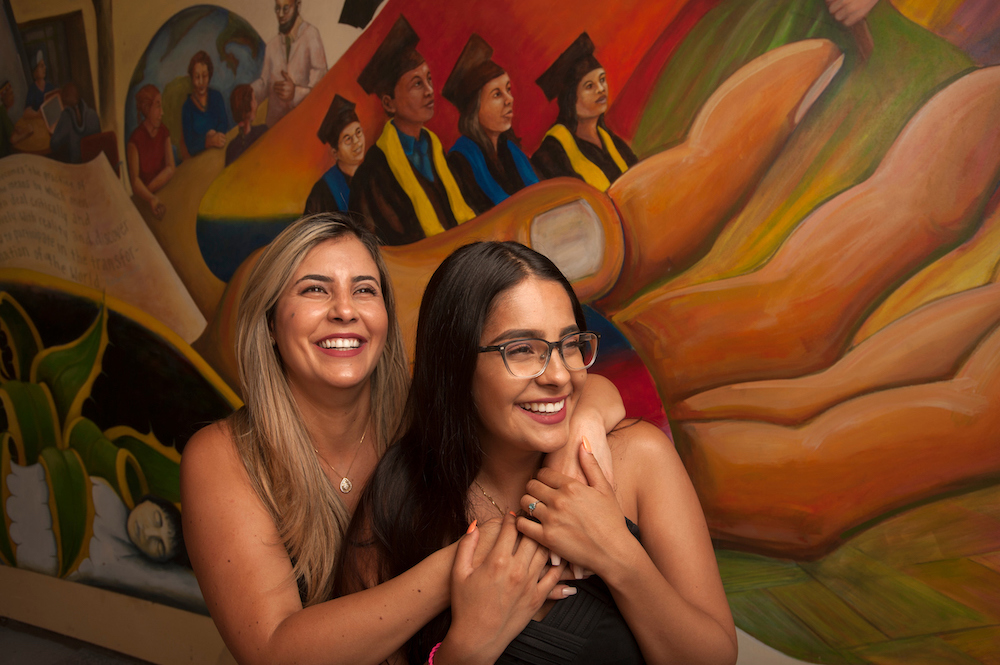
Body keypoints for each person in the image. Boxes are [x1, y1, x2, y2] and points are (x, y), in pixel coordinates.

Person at [181, 214, 625, 664]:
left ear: (386, 318)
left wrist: (576, 444)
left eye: (364, 290)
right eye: (315, 289)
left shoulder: (420, 413)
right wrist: (459, 567)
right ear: (271, 322)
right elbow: (272, 653)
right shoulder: (222, 456)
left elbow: (581, 388)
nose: (345, 310)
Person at [336, 241, 737, 664]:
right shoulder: (400, 499)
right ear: (455, 364)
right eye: (522, 350)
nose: (561, 375)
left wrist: (617, 555)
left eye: (569, 344)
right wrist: (468, 647)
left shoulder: (639, 459)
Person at [350, 15, 476, 246]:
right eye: (417, 84)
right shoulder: (373, 173)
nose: (430, 91)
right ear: (389, 103)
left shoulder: (437, 153)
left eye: (429, 79)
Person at [443, 34, 539, 214]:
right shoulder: (461, 160)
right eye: (497, 94)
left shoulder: (510, 150)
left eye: (508, 90)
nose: (509, 99)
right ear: (474, 108)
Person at [531, 33, 638, 192]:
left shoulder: (612, 141)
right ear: (570, 98)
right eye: (589, 86)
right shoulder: (552, 153)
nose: (601, 89)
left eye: (602, 80)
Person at [251, 0, 328, 128]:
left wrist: (295, 94)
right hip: (274, 130)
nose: (280, 14)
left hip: (302, 126)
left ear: (298, 6)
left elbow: (321, 89)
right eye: (277, 8)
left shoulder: (311, 35)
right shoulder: (272, 46)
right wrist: (250, 93)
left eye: (286, 8)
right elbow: (265, 84)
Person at [304, 94, 364, 214]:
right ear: (335, 152)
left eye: (358, 132)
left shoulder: (374, 175)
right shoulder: (322, 191)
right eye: (347, 139)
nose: (357, 141)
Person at [128, 84, 175, 219]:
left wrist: (149, 190)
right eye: (158, 106)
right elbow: (135, 181)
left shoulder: (164, 132)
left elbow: (171, 167)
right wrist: (150, 198)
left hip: (162, 194)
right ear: (146, 109)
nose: (162, 112)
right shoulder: (134, 140)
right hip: (145, 203)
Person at [181, 51, 229, 157]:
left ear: (210, 75)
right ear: (192, 78)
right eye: (197, 77)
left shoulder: (217, 97)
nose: (201, 82)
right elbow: (190, 145)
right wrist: (207, 141)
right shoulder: (187, 108)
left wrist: (216, 135)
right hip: (200, 161)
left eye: (204, 76)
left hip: (220, 151)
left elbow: (224, 123)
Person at [50, 81, 101, 163]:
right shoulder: (93, 114)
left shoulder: (66, 117)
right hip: (94, 162)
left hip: (77, 166)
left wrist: (58, 126)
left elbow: (54, 144)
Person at [225, 84, 267, 166]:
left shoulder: (231, 148)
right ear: (246, 106)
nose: (256, 104)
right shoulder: (262, 132)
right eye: (254, 100)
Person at [1, 81, 33, 157]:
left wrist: (17, 129)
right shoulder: (1, 111)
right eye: (10, 94)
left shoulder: (3, 110)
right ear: (4, 98)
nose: (13, 96)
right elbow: (12, 140)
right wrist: (27, 132)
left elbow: (8, 130)